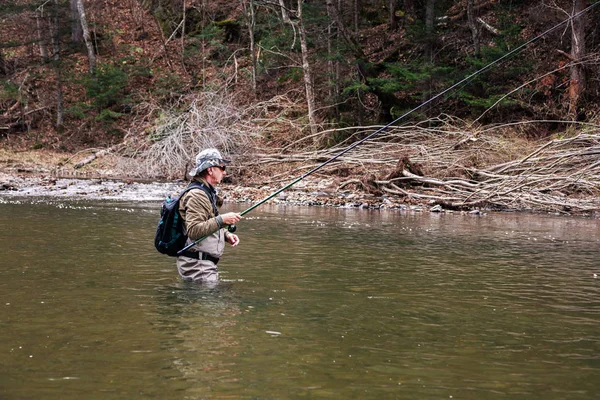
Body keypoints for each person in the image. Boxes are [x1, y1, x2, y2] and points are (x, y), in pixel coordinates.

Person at [177, 148, 241, 283]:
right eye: (222, 167)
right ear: (210, 170)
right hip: (198, 266)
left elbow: (207, 221)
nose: (224, 172)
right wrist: (222, 219)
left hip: (203, 266)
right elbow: (194, 230)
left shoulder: (206, 192)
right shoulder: (197, 194)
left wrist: (225, 234)